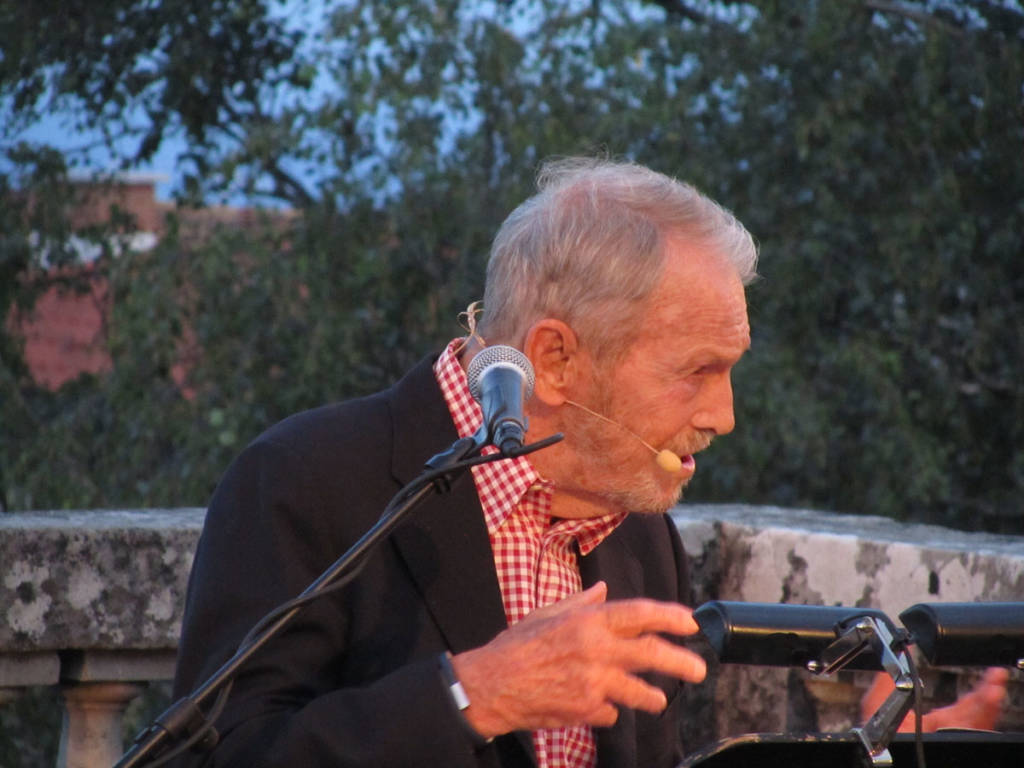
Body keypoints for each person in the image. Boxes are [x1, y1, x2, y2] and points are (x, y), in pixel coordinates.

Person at [171, 158, 1003, 768]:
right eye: (694, 373)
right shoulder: (303, 482)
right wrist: (470, 696)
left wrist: (868, 751)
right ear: (557, 360)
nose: (723, 415)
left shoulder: (643, 538)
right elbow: (215, 758)